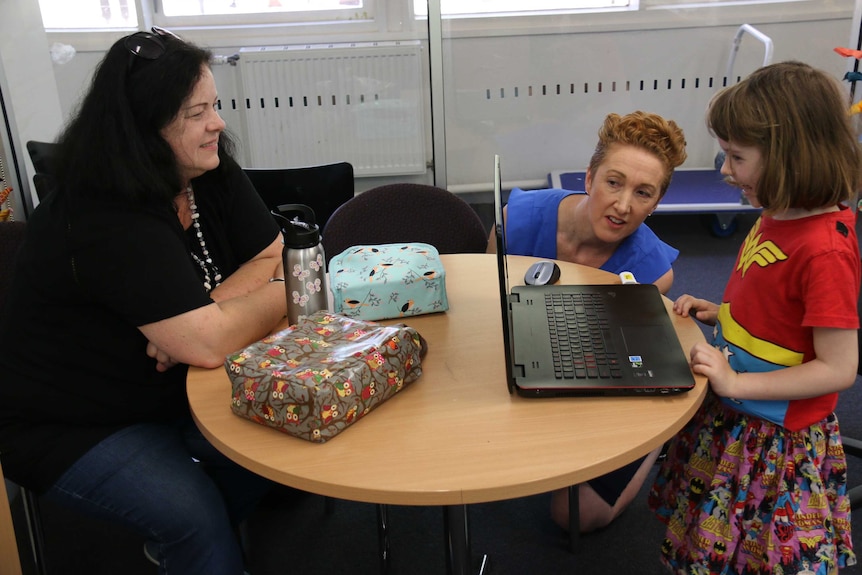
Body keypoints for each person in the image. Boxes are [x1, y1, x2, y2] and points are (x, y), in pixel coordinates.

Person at [0, 28, 289, 574]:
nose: (218, 124)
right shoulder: (101, 211)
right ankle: (196, 547)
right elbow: (211, 340)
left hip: (169, 386)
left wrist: (207, 315)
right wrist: (281, 296)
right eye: (196, 112)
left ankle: (189, 554)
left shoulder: (204, 165)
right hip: (74, 422)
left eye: (216, 106)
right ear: (145, 127)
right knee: (194, 518)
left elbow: (271, 251)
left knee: (284, 442)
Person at [648, 60, 860, 574]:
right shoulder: (777, 215)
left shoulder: (825, 252)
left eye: (736, 157)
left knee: (752, 551)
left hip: (772, 435)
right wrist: (720, 313)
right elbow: (780, 315)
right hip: (737, 406)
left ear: (789, 157)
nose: (724, 169)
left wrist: (735, 380)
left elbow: (837, 368)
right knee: (708, 531)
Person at [487, 110, 688, 532]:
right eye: (614, 182)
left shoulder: (651, 271)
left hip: (595, 378)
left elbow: (619, 361)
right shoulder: (515, 221)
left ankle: (657, 440)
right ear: (589, 177)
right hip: (522, 359)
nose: (623, 205)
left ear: (657, 202)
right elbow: (489, 316)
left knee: (576, 517)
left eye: (643, 193)